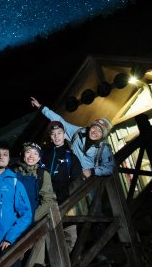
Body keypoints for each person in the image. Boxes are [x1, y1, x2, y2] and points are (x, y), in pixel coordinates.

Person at [30, 97, 115, 178]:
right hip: (67, 169)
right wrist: (41, 107)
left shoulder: (104, 149)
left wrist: (92, 171)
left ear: (102, 135)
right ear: (90, 127)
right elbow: (59, 121)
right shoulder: (79, 132)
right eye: (94, 128)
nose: (95, 132)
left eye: (99, 131)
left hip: (83, 178)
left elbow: (109, 168)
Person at [41, 120, 84, 250]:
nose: (56, 136)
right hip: (47, 200)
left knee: (71, 235)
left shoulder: (71, 155)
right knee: (50, 235)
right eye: (53, 134)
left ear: (64, 134)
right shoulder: (43, 154)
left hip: (65, 200)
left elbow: (77, 178)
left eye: (59, 133)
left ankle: (72, 261)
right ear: (50, 136)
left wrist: (70, 198)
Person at [13, 142, 58, 222]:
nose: (31, 156)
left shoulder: (42, 174)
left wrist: (32, 218)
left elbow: (47, 201)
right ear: (23, 155)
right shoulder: (13, 171)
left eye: (35, 154)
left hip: (31, 218)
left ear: (39, 158)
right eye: (28, 152)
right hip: (13, 217)